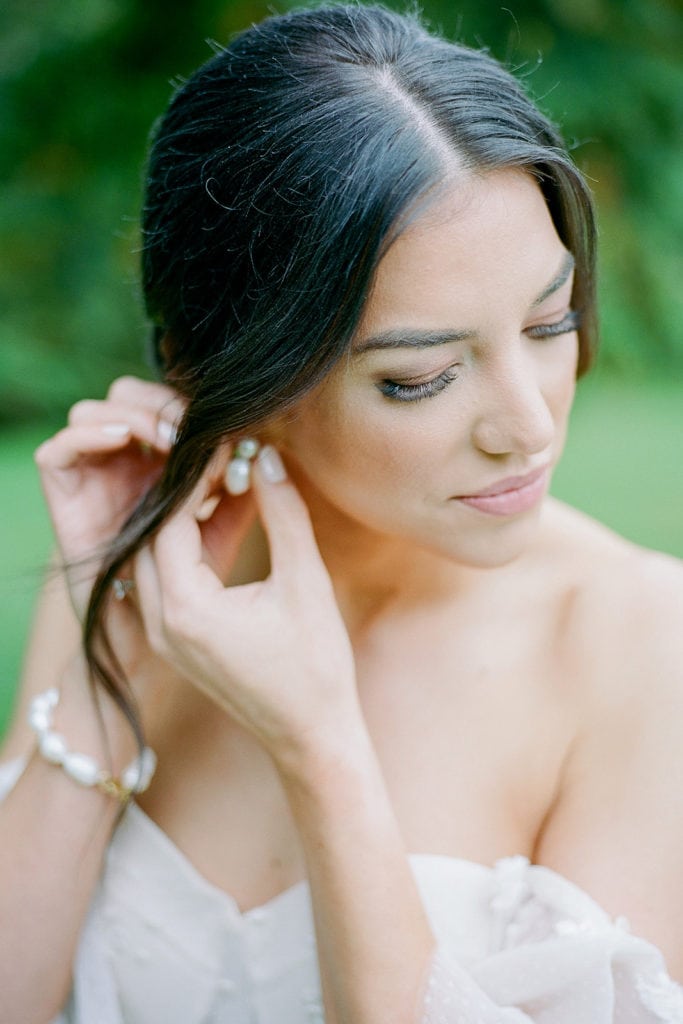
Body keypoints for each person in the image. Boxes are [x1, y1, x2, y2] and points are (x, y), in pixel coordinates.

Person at [1, 4, 682, 1022]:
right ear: (232, 370)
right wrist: (105, 664)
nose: (528, 425)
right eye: (420, 376)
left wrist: (321, 745)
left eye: (551, 320)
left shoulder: (637, 641)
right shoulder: (143, 574)